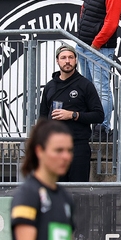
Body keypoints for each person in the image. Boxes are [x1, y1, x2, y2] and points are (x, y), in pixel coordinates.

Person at [38, 43, 105, 182]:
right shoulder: (50, 86)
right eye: (63, 58)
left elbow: (99, 115)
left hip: (78, 146)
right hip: (55, 147)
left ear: (75, 60)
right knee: (55, 192)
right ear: (57, 61)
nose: (67, 61)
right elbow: (42, 117)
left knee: (78, 192)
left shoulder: (85, 85)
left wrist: (73, 115)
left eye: (70, 57)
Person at [76, 0, 121, 136]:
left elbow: (111, 23)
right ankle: (89, 124)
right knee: (87, 87)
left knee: (101, 88)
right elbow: (85, 8)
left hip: (99, 49)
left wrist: (95, 44)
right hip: (84, 44)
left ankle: (102, 127)